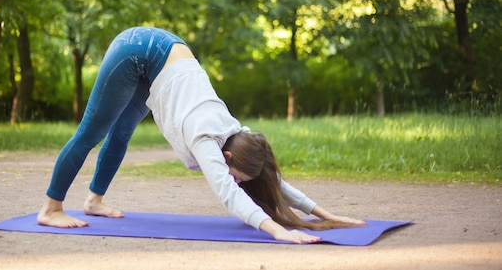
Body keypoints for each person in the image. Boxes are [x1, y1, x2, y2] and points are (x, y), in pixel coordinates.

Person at [38, 26, 364, 244]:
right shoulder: (207, 139)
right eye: (236, 175)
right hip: (136, 50)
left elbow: (272, 179)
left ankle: (93, 202)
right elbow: (228, 195)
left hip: (165, 57)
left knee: (122, 133)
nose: (235, 181)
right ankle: (51, 208)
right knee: (91, 133)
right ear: (227, 158)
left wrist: (325, 215)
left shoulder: (241, 135)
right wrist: (278, 232)